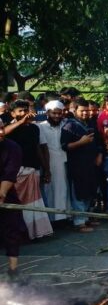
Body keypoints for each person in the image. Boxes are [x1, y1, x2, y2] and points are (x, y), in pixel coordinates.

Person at [5, 100, 52, 239]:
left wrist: (46, 169)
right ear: (12, 113)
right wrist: (20, 122)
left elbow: (38, 149)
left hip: (32, 169)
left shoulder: (34, 128)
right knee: (15, 204)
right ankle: (17, 233)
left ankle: (34, 232)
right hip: (14, 173)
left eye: (25, 110)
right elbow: (3, 133)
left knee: (33, 203)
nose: (24, 113)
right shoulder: (8, 128)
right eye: (20, 111)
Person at [61, 100, 101, 233]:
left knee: (89, 190)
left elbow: (97, 142)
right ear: (75, 111)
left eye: (87, 110)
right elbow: (65, 146)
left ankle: (86, 217)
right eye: (82, 110)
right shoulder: (69, 126)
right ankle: (79, 222)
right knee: (78, 192)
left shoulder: (89, 123)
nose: (85, 113)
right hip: (77, 165)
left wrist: (98, 154)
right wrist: (81, 142)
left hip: (90, 164)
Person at [0, 120, 27, 276]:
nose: (1, 132)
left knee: (12, 228)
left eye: (2, 128)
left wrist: (1, 194)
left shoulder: (12, 147)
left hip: (6, 191)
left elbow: (10, 173)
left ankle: (13, 270)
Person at [37, 100, 69, 223]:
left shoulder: (65, 125)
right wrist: (46, 168)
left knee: (64, 189)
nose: (56, 116)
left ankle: (66, 216)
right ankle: (54, 219)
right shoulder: (41, 127)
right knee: (52, 190)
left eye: (59, 113)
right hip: (50, 162)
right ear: (47, 113)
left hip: (65, 160)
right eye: (53, 113)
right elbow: (41, 148)